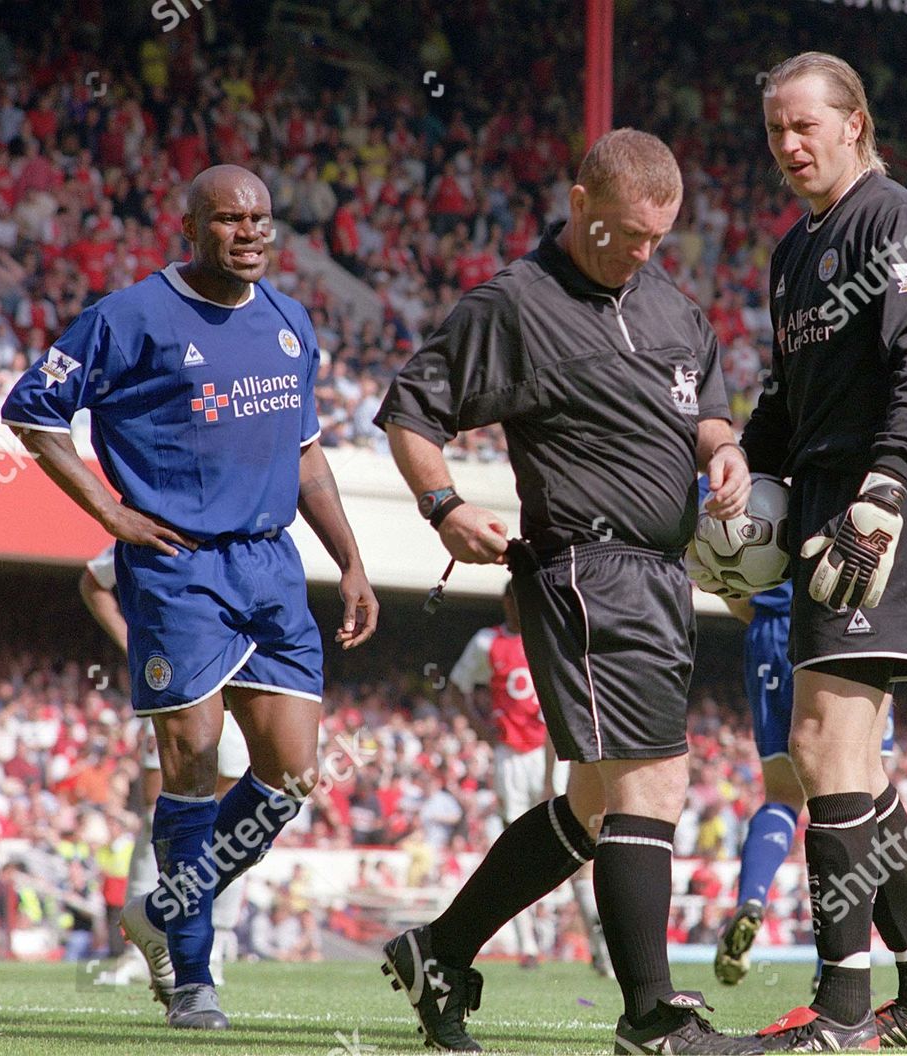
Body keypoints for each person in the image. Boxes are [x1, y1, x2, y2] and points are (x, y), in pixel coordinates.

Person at [374, 128, 762, 1055]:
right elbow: (411, 412)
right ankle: (651, 1021)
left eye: (658, 239)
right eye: (627, 233)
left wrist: (726, 451)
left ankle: (439, 951)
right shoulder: (514, 304)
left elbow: (706, 406)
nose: (642, 253)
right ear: (581, 200)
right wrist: (443, 506)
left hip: (665, 577)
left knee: (595, 806)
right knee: (652, 782)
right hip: (588, 572)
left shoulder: (670, 302)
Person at [0, 164, 378, 1030]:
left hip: (272, 567)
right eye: (229, 220)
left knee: (288, 777)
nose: (249, 233)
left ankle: (166, 910)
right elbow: (33, 409)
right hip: (179, 569)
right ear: (190, 228)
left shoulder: (290, 320)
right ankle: (194, 977)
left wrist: (350, 560)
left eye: (261, 220)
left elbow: (307, 456)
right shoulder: (128, 316)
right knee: (195, 763)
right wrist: (109, 509)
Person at [737, 52, 907, 1049]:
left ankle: (838, 1007)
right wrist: (735, 489)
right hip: (821, 499)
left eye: (805, 127)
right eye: (777, 131)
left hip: (884, 501)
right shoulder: (795, 254)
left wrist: (881, 493)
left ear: (855, 123)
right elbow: (786, 405)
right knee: (854, 767)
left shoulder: (894, 221)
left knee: (824, 742)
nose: (790, 146)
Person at [79, 542, 251, 990]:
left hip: (239, 695)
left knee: (228, 821)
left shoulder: (254, 520)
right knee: (160, 815)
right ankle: (143, 946)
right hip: (176, 684)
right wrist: (133, 644)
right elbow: (95, 582)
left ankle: (213, 944)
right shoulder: (154, 519)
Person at [712, 581, 895, 990]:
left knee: (781, 796)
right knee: (859, 799)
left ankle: (752, 899)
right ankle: (835, 959)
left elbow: (732, 587)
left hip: (774, 632)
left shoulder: (746, 511)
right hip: (852, 630)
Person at [447, 581, 610, 975]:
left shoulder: (554, 639)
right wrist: (481, 727)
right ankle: (529, 946)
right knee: (513, 845)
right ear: (506, 601)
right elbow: (456, 688)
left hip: (553, 750)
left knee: (576, 842)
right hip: (511, 757)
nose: (522, 607)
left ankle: (599, 945)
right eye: (517, 599)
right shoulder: (489, 641)